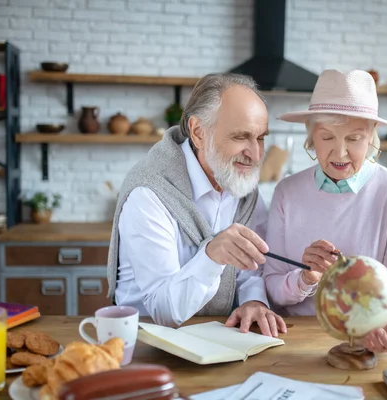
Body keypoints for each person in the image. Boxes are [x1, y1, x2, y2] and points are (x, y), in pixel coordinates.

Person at [106, 72, 287, 337]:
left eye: (260, 138)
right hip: (145, 343)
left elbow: (251, 270)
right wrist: (212, 255)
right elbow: (164, 312)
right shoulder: (149, 193)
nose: (256, 154)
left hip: (219, 340)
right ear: (199, 132)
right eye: (241, 137)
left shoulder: (243, 189)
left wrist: (254, 301)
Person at [263, 69, 387, 352]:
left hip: (365, 340)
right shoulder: (286, 192)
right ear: (311, 135)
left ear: (372, 136)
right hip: (294, 342)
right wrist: (306, 278)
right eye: (327, 137)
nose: (340, 153)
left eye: (354, 138)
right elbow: (273, 288)